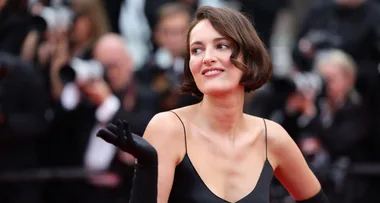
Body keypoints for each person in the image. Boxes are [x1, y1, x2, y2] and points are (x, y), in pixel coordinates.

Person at [97, 6, 329, 203]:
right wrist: (147, 168)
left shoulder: (272, 137)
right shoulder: (168, 128)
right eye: (196, 50)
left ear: (248, 57)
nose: (207, 57)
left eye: (221, 46)